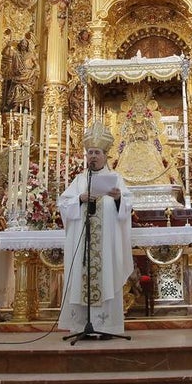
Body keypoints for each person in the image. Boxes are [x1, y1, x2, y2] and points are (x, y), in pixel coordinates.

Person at [57, 121, 134, 337]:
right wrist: (79, 199)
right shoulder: (79, 180)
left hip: (106, 245)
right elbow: (63, 204)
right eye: (90, 152)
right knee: (82, 279)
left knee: (106, 277)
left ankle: (106, 326)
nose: (93, 156)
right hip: (83, 245)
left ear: (105, 155)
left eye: (97, 152)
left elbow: (127, 206)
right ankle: (82, 325)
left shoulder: (116, 179)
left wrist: (118, 199)